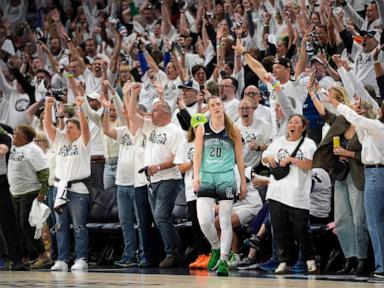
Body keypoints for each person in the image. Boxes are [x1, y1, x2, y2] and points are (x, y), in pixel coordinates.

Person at [310, 84, 369, 275]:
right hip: (340, 175)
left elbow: (371, 155)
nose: (354, 107)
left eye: (358, 106)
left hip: (358, 175)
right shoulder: (341, 123)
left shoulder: (366, 128)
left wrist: (348, 153)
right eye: (353, 105)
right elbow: (324, 113)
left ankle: (362, 259)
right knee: (342, 219)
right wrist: (312, 92)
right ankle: (349, 258)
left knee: (358, 219)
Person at [127, 82, 185, 268]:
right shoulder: (150, 128)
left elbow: (178, 159)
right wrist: (134, 94)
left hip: (169, 179)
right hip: (153, 181)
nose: (151, 114)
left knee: (161, 216)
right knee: (160, 219)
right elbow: (130, 115)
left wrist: (158, 167)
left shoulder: (175, 132)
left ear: (166, 113)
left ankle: (174, 253)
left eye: (155, 111)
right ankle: (174, 251)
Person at [327, 96, 384, 279]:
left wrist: (338, 104)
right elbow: (358, 122)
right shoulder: (370, 130)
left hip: (376, 174)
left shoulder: (378, 127)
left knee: (374, 224)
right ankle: (378, 265)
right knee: (374, 223)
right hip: (372, 174)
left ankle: (380, 267)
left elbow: (358, 120)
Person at [193, 96, 247, 276]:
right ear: (208, 108)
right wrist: (195, 177)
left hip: (226, 177)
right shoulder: (202, 128)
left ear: (223, 106)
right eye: (212, 105)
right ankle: (215, 248)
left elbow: (240, 159)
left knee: (224, 221)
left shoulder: (233, 130)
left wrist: (243, 182)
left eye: (218, 104)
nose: (216, 107)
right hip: (206, 176)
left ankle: (224, 258)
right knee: (204, 221)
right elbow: (197, 155)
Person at [262, 111, 318, 274]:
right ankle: (283, 261)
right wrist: (269, 159)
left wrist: (292, 160)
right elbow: (264, 157)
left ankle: (309, 259)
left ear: (304, 127)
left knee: (302, 229)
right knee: (278, 229)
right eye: (290, 122)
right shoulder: (278, 141)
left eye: (296, 122)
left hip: (297, 194)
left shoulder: (309, 144)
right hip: (276, 192)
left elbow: (309, 165)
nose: (292, 125)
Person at [44, 86, 91, 272]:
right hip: (60, 188)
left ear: (79, 130)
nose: (68, 130)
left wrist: (80, 109)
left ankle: (81, 258)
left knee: (79, 226)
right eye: (67, 127)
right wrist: (48, 107)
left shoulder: (83, 142)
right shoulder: (60, 140)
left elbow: (85, 127)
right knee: (60, 226)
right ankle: (62, 259)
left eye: (72, 128)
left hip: (79, 189)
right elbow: (48, 126)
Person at [7, 125, 52, 269]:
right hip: (15, 193)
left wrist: (42, 192)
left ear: (25, 137)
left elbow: (44, 172)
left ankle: (44, 256)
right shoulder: (15, 147)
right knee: (18, 227)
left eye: (16, 133)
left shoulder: (33, 150)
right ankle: (24, 257)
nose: (14, 135)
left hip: (30, 191)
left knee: (26, 225)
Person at [174, 113, 211, 270]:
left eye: (202, 126)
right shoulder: (185, 144)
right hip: (191, 189)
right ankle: (201, 255)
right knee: (196, 224)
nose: (199, 129)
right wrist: (193, 160)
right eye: (196, 127)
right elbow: (180, 167)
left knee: (206, 222)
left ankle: (210, 254)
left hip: (208, 187)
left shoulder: (211, 143)